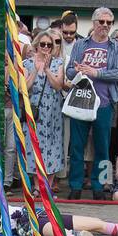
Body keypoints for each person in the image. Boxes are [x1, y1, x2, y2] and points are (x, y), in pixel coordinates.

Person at [65, 7, 118, 199]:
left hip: (104, 103)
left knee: (103, 145)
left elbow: (117, 73)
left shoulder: (116, 47)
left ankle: (99, 186)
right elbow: (69, 71)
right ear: (93, 23)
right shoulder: (81, 44)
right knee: (77, 145)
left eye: (109, 22)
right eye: (102, 22)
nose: (105, 26)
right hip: (81, 101)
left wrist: (95, 72)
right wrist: (80, 70)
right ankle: (75, 185)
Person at [26, 29, 66, 185]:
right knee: (35, 145)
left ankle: (48, 185)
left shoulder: (58, 63)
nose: (46, 47)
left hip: (54, 110)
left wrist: (48, 69)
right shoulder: (27, 63)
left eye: (49, 45)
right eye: (43, 44)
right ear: (37, 45)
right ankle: (37, 185)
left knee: (54, 145)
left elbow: (58, 86)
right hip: (36, 109)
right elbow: (26, 87)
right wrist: (36, 69)